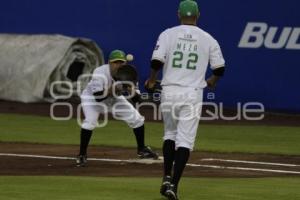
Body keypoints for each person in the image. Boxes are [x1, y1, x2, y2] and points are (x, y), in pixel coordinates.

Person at [145, 1, 225, 199]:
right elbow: (219, 68)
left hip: (169, 91)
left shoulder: (168, 34)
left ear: (178, 14)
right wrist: (212, 81)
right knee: (185, 141)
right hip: (192, 93)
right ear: (198, 15)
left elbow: (156, 61)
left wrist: (152, 79)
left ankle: (166, 176)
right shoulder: (208, 38)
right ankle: (173, 185)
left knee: (169, 134)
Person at [76, 49, 158, 167]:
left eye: (121, 62)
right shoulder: (100, 72)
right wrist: (112, 89)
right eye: (115, 62)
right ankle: (82, 154)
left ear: (125, 64)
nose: (118, 65)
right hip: (92, 99)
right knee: (90, 122)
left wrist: (132, 92)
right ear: (109, 63)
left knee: (137, 119)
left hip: (114, 99)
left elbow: (138, 100)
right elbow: (98, 97)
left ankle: (142, 149)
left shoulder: (129, 74)